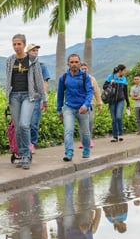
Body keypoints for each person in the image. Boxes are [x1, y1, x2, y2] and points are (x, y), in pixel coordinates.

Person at [5, 34, 46, 170]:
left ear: (24, 45)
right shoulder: (10, 60)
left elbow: (39, 80)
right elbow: (8, 79)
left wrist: (44, 99)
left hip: (29, 96)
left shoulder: (33, 60)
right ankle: (22, 154)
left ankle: (27, 155)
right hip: (14, 96)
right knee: (17, 127)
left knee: (24, 124)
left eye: (19, 44)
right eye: (14, 44)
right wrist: (7, 98)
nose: (16, 47)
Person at [56, 53, 93, 161]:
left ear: (80, 63)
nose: (74, 64)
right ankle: (69, 153)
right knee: (68, 130)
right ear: (68, 64)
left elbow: (89, 92)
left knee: (85, 132)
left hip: (82, 108)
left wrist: (86, 105)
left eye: (76, 62)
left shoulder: (85, 76)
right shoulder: (63, 77)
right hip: (69, 108)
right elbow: (60, 94)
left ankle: (86, 149)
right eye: (72, 62)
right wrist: (59, 109)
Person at [27, 44, 50, 147]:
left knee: (33, 123)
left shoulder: (42, 66)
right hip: (25, 97)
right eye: (33, 51)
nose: (35, 52)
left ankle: (32, 143)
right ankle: (25, 144)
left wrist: (44, 99)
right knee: (24, 123)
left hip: (37, 97)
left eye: (36, 51)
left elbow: (45, 82)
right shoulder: (23, 66)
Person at [104, 64, 130, 142]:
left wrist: (128, 103)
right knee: (114, 119)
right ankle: (115, 136)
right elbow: (104, 87)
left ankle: (120, 134)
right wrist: (110, 83)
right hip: (111, 101)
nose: (125, 72)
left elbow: (125, 92)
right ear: (120, 71)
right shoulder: (110, 77)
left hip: (120, 100)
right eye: (124, 70)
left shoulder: (124, 79)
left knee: (118, 117)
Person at [80, 62, 101, 150]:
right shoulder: (77, 79)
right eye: (82, 68)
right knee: (82, 123)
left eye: (85, 68)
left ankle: (89, 139)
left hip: (91, 103)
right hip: (80, 104)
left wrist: (99, 103)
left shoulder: (92, 79)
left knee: (90, 121)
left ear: (87, 69)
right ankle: (83, 141)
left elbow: (96, 91)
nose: (84, 70)